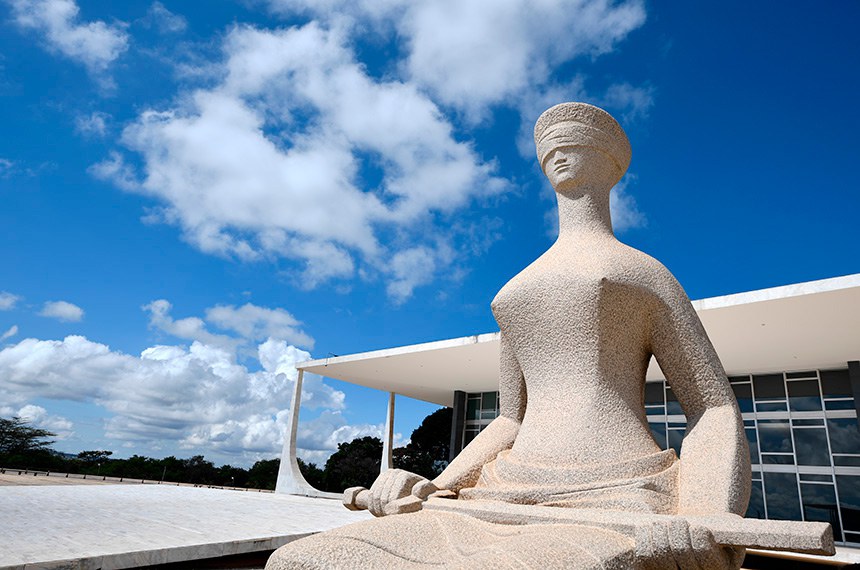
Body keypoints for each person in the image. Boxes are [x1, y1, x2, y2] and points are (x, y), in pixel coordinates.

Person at [266, 103, 751, 569]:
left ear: (610, 160)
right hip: (496, 491)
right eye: (548, 150)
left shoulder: (642, 273)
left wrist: (704, 512)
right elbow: (510, 420)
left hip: (617, 493)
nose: (558, 155)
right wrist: (435, 485)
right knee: (302, 559)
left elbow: (712, 407)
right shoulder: (517, 289)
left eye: (573, 143)